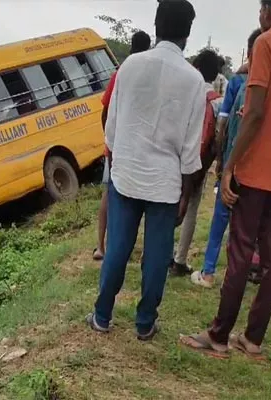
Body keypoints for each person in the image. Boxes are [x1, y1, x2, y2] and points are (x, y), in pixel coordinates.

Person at [87, 0, 203, 341]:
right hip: (166, 184)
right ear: (187, 34)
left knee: (118, 248)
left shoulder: (130, 66)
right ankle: (144, 323)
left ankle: (102, 315)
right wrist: (184, 192)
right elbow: (191, 147)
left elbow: (112, 130)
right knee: (156, 258)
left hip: (126, 177)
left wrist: (120, 161)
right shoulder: (194, 80)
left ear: (157, 25)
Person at [180, 0, 271, 359]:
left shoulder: (267, 43)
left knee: (239, 253)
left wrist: (231, 165)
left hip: (256, 171)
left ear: (268, 11)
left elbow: (252, 115)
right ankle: (253, 340)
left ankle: (219, 336)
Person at [191, 29, 263, 288]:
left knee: (220, 220)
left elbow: (222, 126)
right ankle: (237, 279)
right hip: (259, 173)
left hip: (235, 165)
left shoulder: (238, 83)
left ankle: (208, 272)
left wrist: (223, 164)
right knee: (245, 229)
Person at [93, 30, 151, 262]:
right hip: (138, 147)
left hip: (116, 146)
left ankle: (101, 246)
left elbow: (105, 111)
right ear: (147, 49)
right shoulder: (146, 74)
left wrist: (110, 141)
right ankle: (138, 248)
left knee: (110, 194)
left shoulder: (121, 72)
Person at [168, 49, 223, 277]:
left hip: (176, 160)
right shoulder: (218, 102)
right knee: (191, 209)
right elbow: (219, 139)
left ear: (197, 68)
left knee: (169, 205)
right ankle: (180, 260)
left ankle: (162, 254)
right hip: (199, 165)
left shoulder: (185, 92)